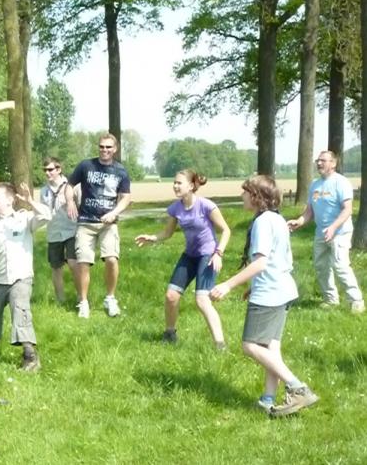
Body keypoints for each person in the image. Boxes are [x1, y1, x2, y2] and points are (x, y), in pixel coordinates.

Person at [210, 175, 319, 417]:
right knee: (272, 348)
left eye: (245, 191)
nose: (242, 196)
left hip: (270, 293)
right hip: (282, 288)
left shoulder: (262, 223)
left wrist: (228, 285)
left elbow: (260, 263)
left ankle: (297, 387)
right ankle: (267, 400)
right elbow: (276, 259)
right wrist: (253, 286)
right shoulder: (277, 219)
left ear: (257, 196)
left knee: (250, 345)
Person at [135, 170, 230, 348]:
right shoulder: (175, 208)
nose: (175, 186)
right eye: (174, 183)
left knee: (202, 300)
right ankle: (170, 334)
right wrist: (152, 238)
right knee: (171, 296)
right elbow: (168, 233)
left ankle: (220, 344)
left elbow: (226, 230)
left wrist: (219, 253)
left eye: (179, 183)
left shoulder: (206, 206)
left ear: (191, 186)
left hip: (207, 255)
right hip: (190, 255)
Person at [0, 182, 51, 371]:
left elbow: (46, 215)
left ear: (10, 200)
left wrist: (31, 201)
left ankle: (30, 356)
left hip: (21, 277)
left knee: (20, 309)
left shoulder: (23, 219)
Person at [287, 150, 364, 313]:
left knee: (340, 265)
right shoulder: (315, 185)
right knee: (321, 266)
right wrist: (299, 221)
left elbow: (347, 210)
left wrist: (334, 227)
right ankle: (330, 299)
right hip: (321, 233)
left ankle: (356, 301)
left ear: (333, 163)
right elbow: (309, 211)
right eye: (318, 160)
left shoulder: (341, 183)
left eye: (323, 160)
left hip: (340, 232)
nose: (319, 163)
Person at [65, 133, 131, 319]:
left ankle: (110, 298)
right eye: (102, 147)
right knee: (83, 263)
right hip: (85, 222)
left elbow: (126, 197)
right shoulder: (86, 165)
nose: (104, 150)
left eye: (108, 147)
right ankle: (83, 302)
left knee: (111, 259)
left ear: (115, 149)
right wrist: (70, 201)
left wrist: (114, 213)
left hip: (108, 224)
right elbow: (69, 185)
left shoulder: (121, 171)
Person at [39, 157, 80, 303]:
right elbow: (43, 212)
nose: (47, 173)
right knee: (56, 267)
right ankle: (60, 300)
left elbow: (81, 207)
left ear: (59, 169)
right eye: (45, 170)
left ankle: (81, 297)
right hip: (53, 233)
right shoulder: (44, 191)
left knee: (73, 263)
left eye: (50, 170)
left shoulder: (71, 186)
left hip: (71, 230)